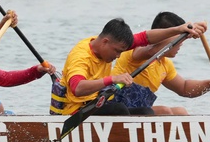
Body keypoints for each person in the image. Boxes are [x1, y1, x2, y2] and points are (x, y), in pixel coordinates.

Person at [50, 17, 200, 116]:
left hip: (97, 104)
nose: (118, 56)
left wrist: (179, 30)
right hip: (76, 112)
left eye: (121, 52)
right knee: (119, 109)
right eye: (117, 51)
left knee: (146, 112)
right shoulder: (81, 56)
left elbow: (145, 38)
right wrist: (112, 79)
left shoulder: (111, 43)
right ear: (105, 42)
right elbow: (78, 88)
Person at [113, 13, 210, 115]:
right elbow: (152, 50)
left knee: (181, 112)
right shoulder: (136, 52)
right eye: (179, 39)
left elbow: (184, 88)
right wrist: (183, 34)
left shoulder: (165, 64)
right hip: (114, 106)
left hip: (136, 109)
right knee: (165, 111)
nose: (181, 44)